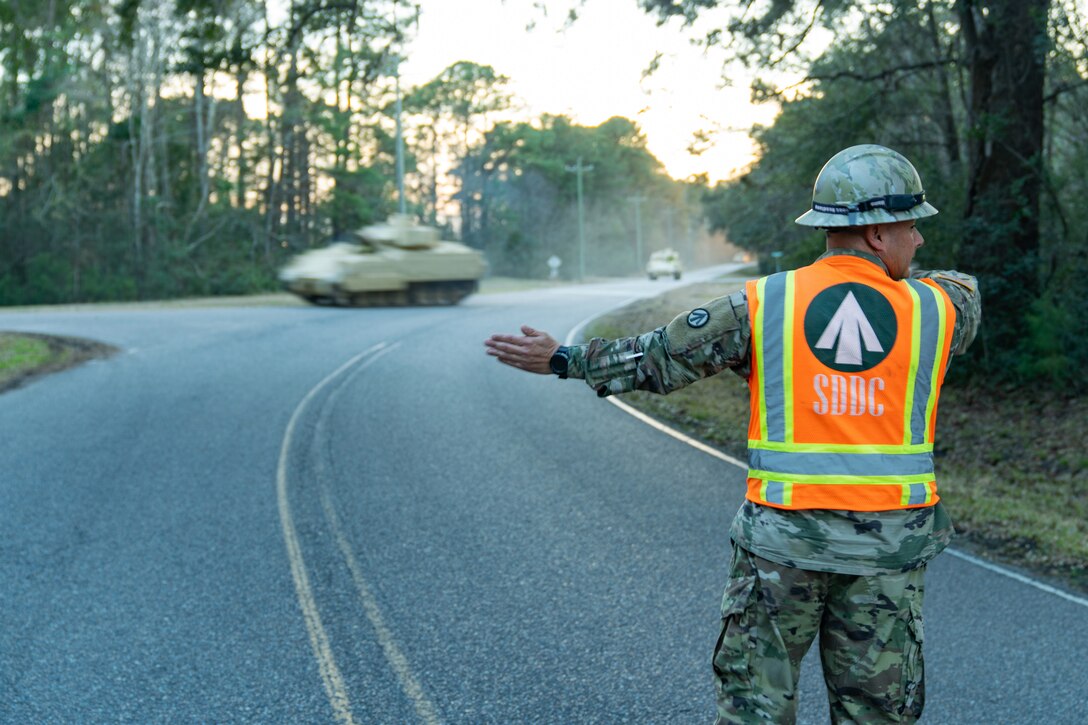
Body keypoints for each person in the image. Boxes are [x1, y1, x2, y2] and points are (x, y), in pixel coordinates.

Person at [484, 144, 980, 724]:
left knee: (756, 708)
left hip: (779, 554)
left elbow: (659, 357)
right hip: (888, 557)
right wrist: (891, 278)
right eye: (911, 225)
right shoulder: (939, 309)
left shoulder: (763, 303)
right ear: (875, 232)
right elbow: (958, 284)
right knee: (878, 714)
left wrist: (567, 359)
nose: (918, 240)